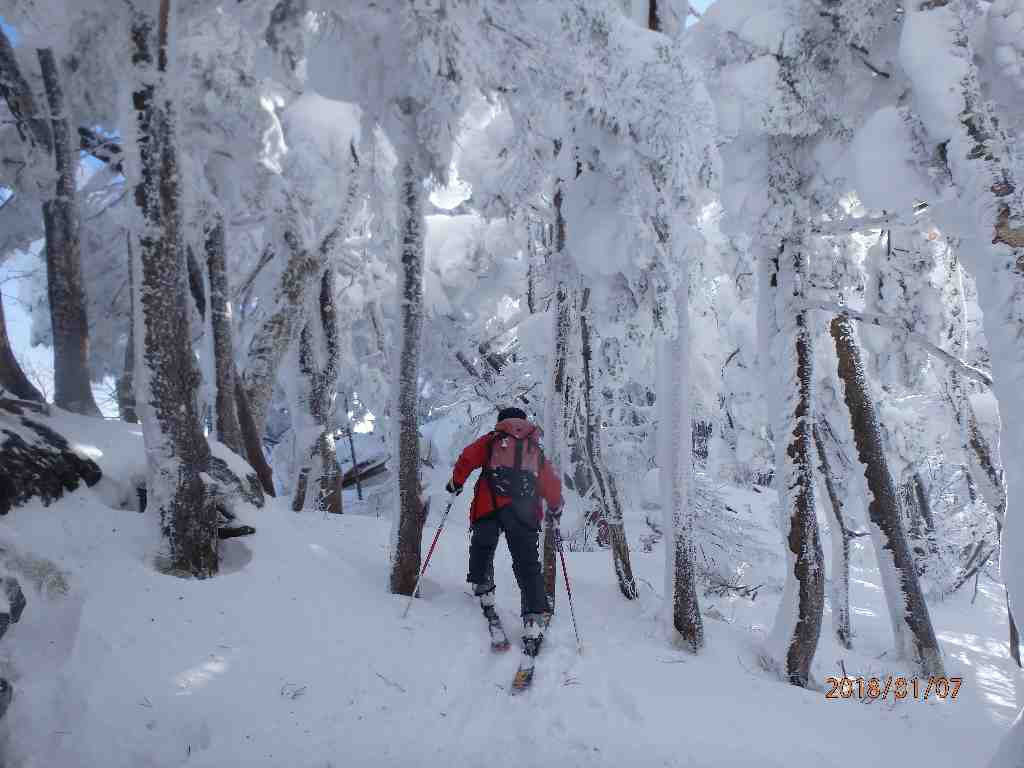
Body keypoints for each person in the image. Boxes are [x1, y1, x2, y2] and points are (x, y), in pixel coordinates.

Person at [446, 406, 562, 655]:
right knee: (527, 564)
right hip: (524, 512)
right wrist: (555, 505)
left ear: (501, 422)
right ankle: (532, 618)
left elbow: (467, 457)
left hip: (489, 505)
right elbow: (549, 480)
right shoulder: (534, 448)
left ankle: (484, 589)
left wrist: (455, 483)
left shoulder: (492, 440)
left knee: (483, 545)